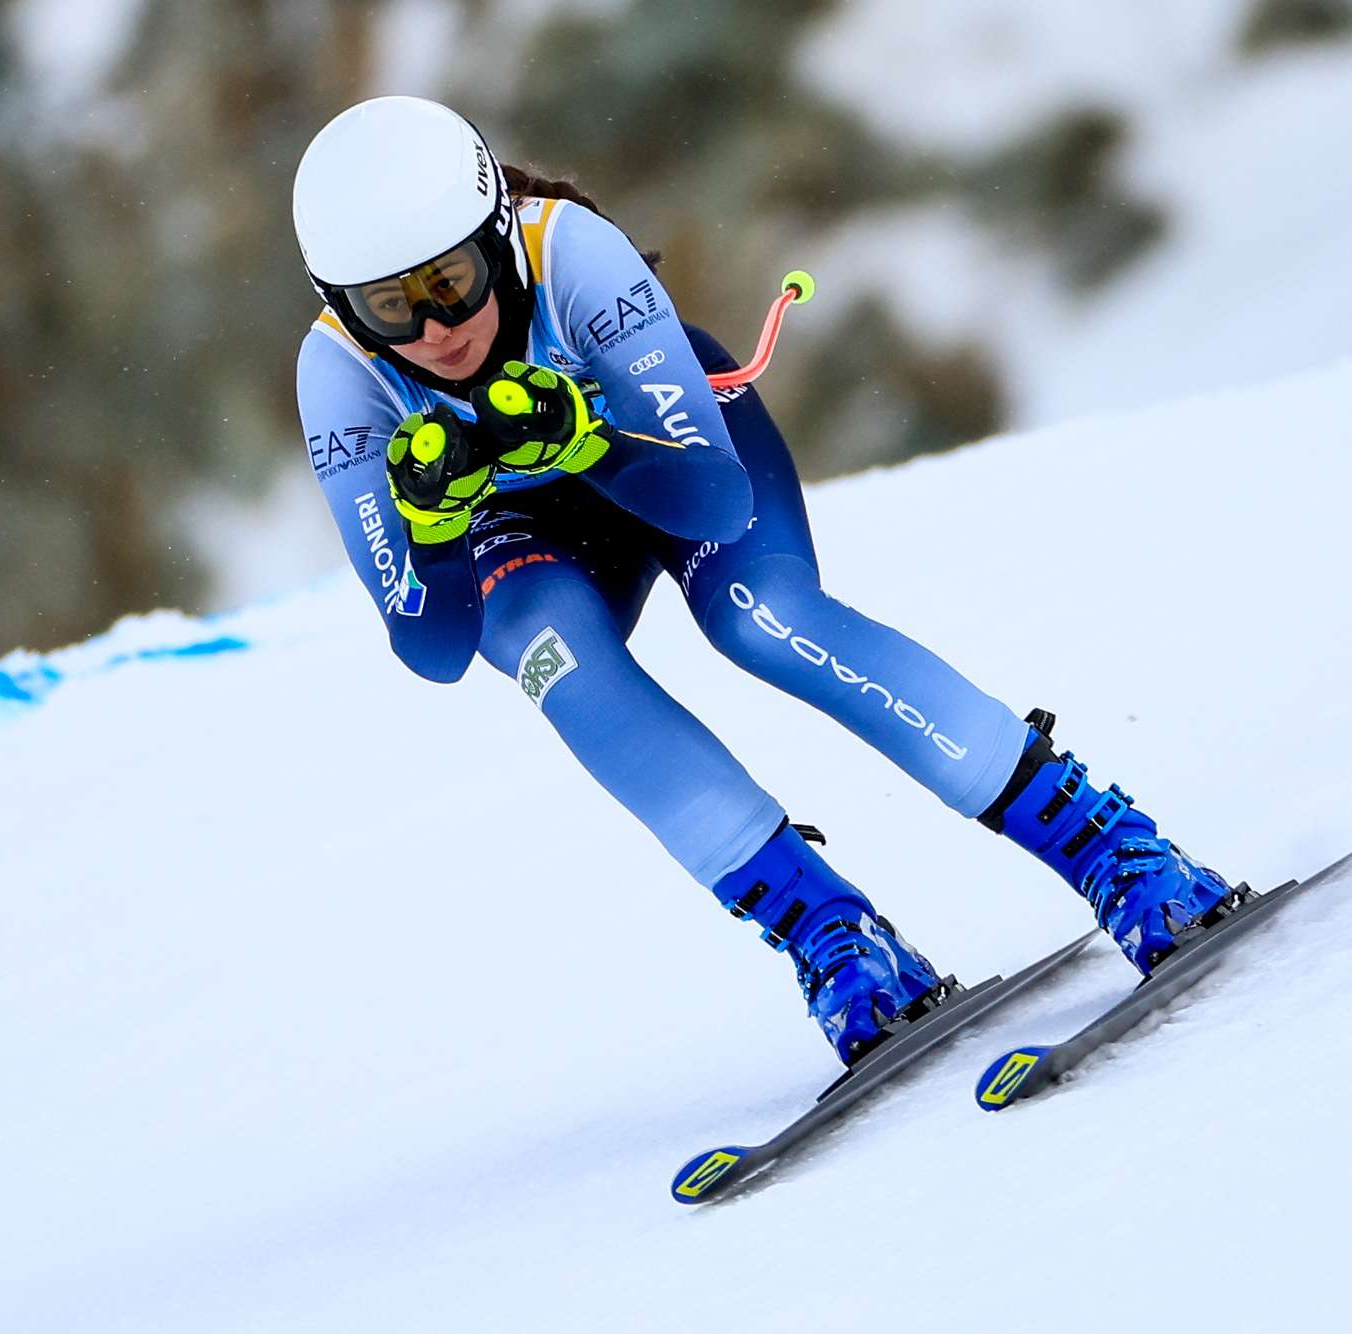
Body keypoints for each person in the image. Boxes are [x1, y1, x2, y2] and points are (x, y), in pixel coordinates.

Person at [291, 97, 1235, 1066]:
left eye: (452, 281)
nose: (438, 328)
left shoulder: (571, 254)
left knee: (758, 616)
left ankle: (1112, 845)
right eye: (390, 306)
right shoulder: (338, 377)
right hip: (520, 532)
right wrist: (437, 531)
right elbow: (434, 646)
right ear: (344, 306)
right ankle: (837, 939)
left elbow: (706, 496)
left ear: (495, 238)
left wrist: (588, 439)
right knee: (557, 662)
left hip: (669, 456)